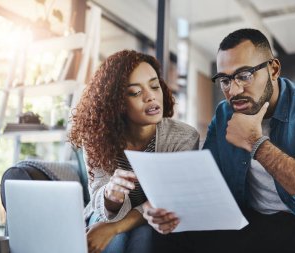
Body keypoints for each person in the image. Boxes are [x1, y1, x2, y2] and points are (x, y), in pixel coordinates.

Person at [143, 28, 295, 253]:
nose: (234, 90)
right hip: (249, 224)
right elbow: (208, 182)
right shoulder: (224, 114)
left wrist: (256, 143)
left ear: (273, 69)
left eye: (244, 75)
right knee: (164, 232)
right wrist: (167, 208)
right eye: (225, 80)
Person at [69, 49, 199, 253]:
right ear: (116, 103)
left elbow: (165, 199)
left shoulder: (183, 137)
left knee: (145, 236)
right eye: (136, 92)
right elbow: (97, 196)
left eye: (155, 86)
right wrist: (110, 197)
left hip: (155, 218)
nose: (151, 97)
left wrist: (114, 228)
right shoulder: (96, 137)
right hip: (104, 215)